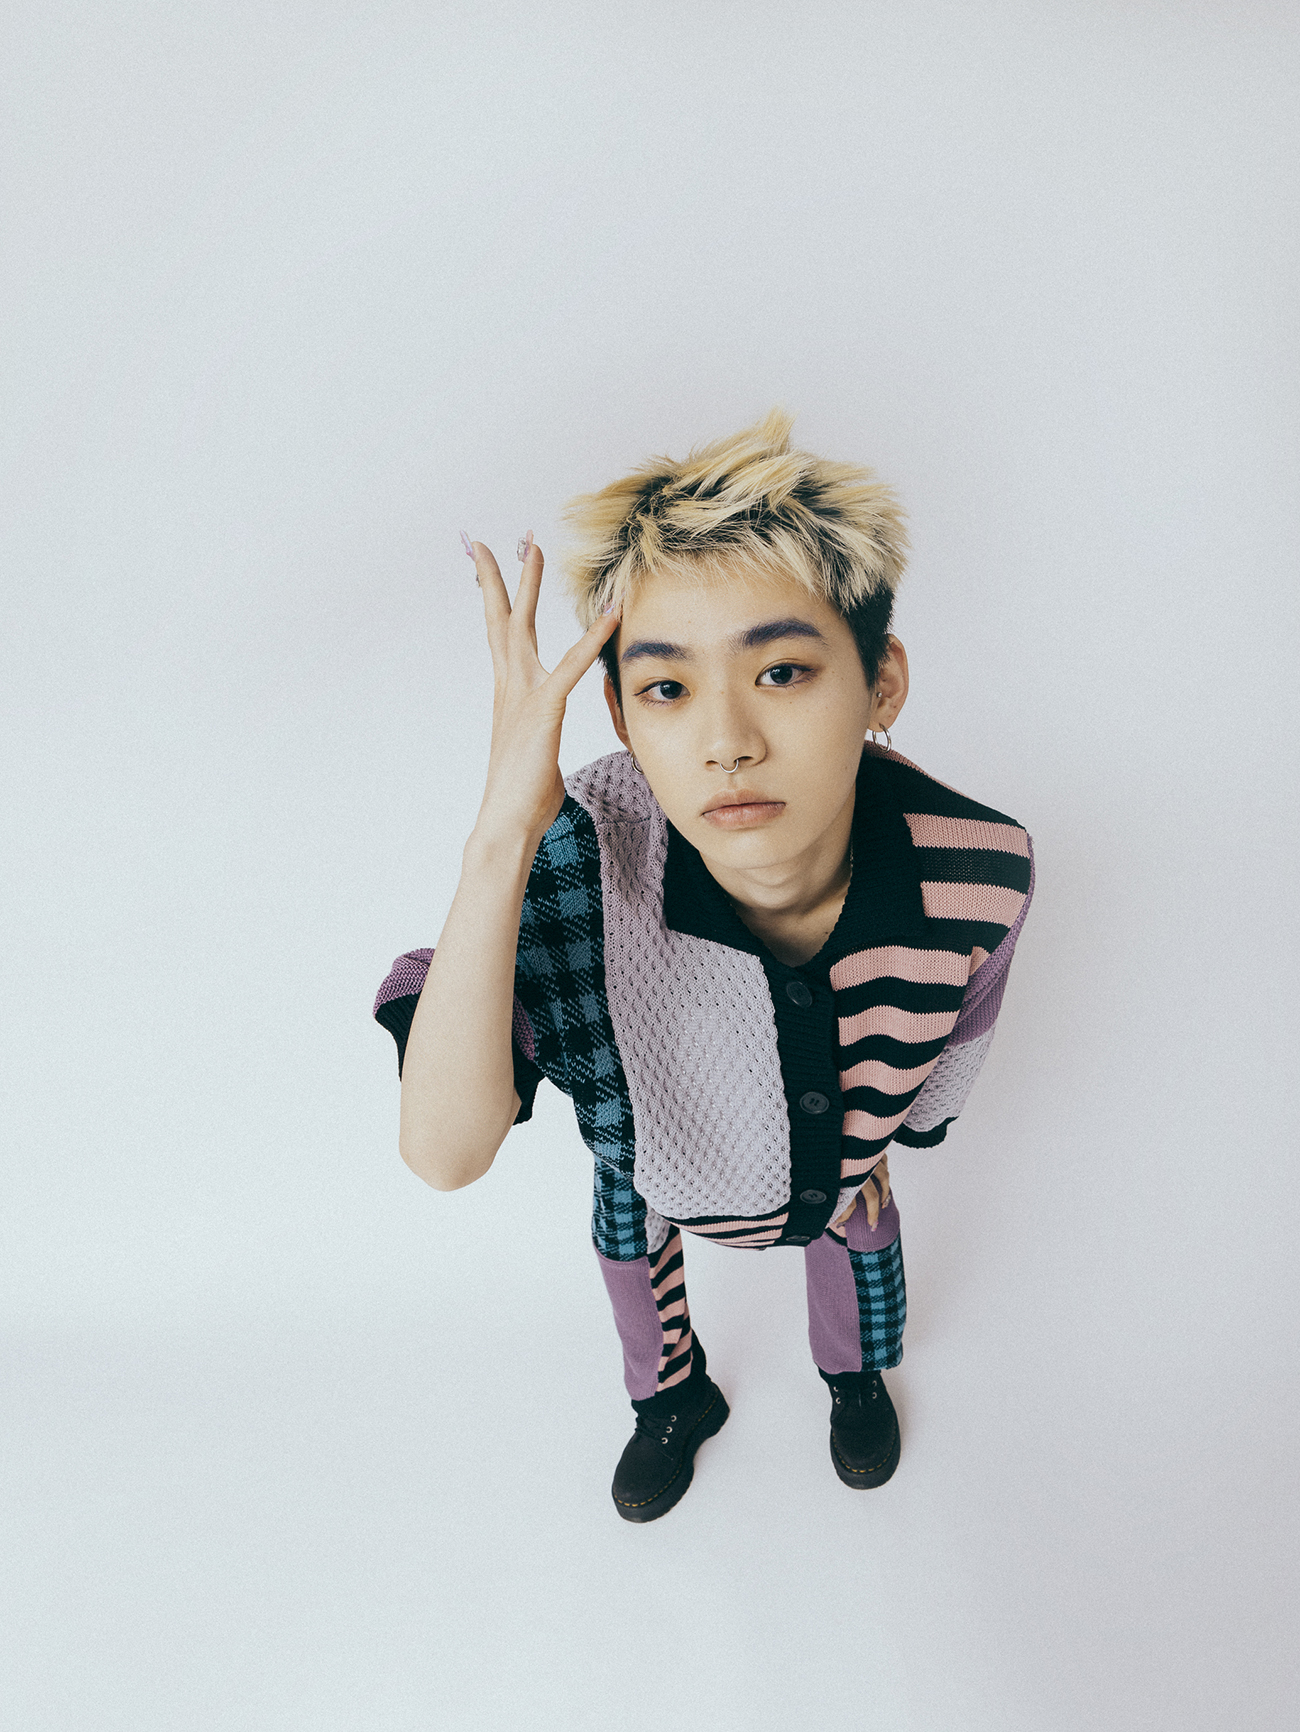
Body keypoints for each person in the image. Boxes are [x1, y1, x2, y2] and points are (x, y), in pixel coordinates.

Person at [374, 410, 1033, 1522]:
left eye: (781, 670)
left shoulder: (979, 865)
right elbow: (443, 1151)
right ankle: (673, 1403)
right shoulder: (576, 861)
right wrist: (502, 834)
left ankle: (852, 1378)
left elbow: (965, 1024)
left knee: (862, 1238)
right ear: (621, 718)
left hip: (842, 1162)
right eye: (667, 689)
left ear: (880, 681)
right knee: (633, 1260)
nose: (727, 740)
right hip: (651, 1162)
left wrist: (907, 1131)